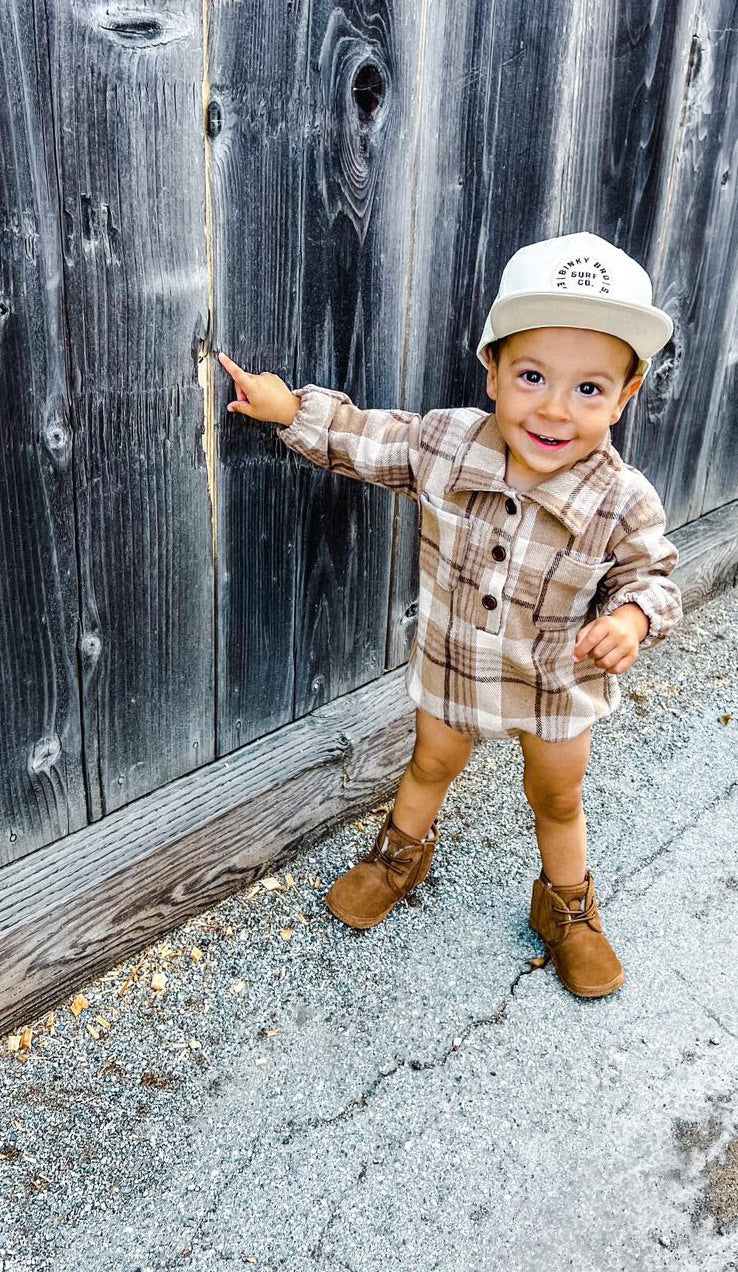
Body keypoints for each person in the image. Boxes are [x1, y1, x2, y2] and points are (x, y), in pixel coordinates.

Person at [216, 231, 683, 999]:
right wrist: (290, 408)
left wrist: (630, 620)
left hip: (555, 682)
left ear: (625, 396)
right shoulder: (446, 444)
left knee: (557, 794)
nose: (555, 408)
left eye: (589, 389)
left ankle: (566, 907)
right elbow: (370, 439)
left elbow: (653, 575)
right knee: (432, 759)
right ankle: (401, 853)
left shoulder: (622, 498)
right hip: (456, 661)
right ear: (492, 369)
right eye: (532, 376)